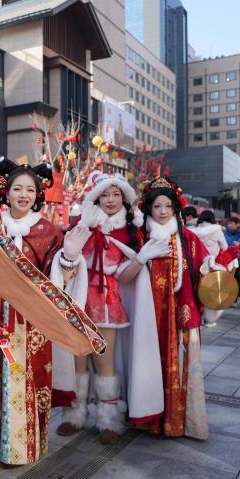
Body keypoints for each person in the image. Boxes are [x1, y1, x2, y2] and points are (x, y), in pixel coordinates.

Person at [50, 170, 163, 445]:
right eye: (105, 194)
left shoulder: (130, 231)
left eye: (116, 194)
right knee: (77, 357)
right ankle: (73, 414)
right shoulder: (82, 225)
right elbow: (67, 266)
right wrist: (71, 252)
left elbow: (124, 276)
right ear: (95, 198)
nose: (111, 199)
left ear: (124, 199)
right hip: (78, 299)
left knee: (104, 361)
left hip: (108, 302)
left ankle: (109, 419)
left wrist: (140, 260)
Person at [0, 159, 63, 469]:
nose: (23, 194)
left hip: (34, 317)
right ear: (5, 191)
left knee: (30, 378)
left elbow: (56, 276)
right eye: (17, 188)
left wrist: (70, 260)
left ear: (38, 194)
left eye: (30, 189)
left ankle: (23, 447)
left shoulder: (49, 231)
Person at [138, 176, 210, 440]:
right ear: (149, 208)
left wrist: (215, 268)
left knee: (180, 363)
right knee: (147, 364)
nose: (162, 211)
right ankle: (148, 418)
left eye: (167, 206)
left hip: (182, 309)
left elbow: (204, 267)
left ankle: (178, 421)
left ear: (175, 208)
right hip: (148, 314)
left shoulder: (188, 238)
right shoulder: (140, 237)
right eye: (157, 206)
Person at [191, 210, 234, 327]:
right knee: (210, 291)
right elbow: (224, 247)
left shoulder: (193, 230)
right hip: (211, 264)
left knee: (196, 290)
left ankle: (197, 317)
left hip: (196, 264)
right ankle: (210, 318)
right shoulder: (217, 230)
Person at [224, 217, 240, 297]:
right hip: (228, 260)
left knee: (239, 278)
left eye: (231, 223)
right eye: (228, 224)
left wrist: (234, 244)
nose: (229, 225)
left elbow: (239, 243)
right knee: (229, 279)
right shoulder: (224, 233)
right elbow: (231, 244)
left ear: (237, 224)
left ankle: (237, 294)